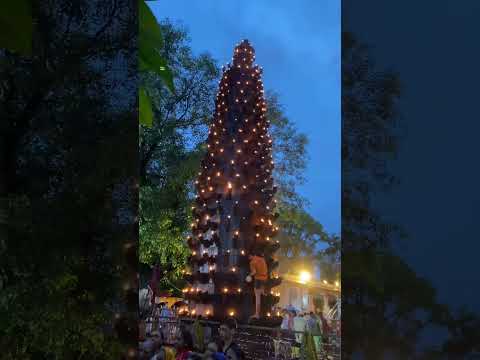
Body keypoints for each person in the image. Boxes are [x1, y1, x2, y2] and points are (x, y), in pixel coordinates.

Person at [247, 250, 268, 319]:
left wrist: (249, 275)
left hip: (258, 279)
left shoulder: (252, 262)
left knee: (257, 297)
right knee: (262, 294)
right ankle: (263, 291)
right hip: (265, 278)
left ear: (250, 256)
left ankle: (257, 314)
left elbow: (254, 272)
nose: (248, 258)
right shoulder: (262, 259)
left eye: (248, 257)